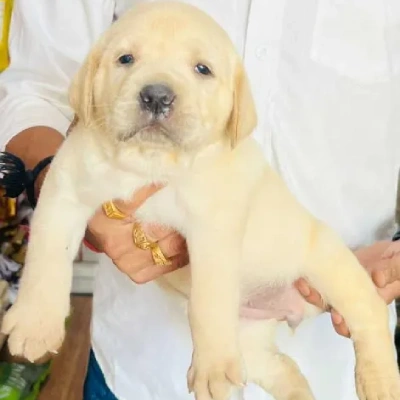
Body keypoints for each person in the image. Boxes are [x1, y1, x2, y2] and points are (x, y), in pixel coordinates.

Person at [1, 1, 400, 399]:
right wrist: (44, 294)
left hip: (334, 326)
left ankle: (368, 348)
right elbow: (36, 89)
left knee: (332, 272)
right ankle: (274, 371)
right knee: (254, 354)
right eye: (127, 58)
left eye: (202, 69)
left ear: (237, 106)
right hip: (143, 361)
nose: (158, 93)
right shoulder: (92, 136)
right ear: (90, 81)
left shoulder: (225, 155)